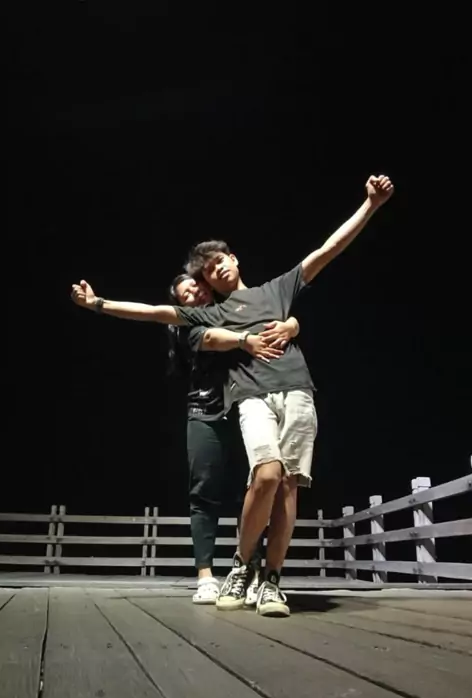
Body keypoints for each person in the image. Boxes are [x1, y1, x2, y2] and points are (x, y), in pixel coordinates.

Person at [72, 173, 394, 618]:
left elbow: (327, 251)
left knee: (288, 486)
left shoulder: (275, 290)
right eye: (208, 270)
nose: (217, 269)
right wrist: (98, 304)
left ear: (235, 259)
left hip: (298, 390)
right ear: (207, 283)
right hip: (253, 396)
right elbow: (154, 312)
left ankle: (272, 581)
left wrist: (371, 204)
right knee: (266, 474)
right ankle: (242, 565)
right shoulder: (210, 314)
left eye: (220, 260)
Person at [71, 272, 300, 604]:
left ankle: (251, 571)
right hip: (205, 412)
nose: (195, 293)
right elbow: (154, 314)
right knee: (204, 492)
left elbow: (278, 318)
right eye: (186, 294)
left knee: (256, 489)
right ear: (181, 304)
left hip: (247, 407)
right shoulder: (187, 326)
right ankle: (205, 576)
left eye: (196, 286)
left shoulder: (233, 308)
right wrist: (98, 304)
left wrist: (292, 324)